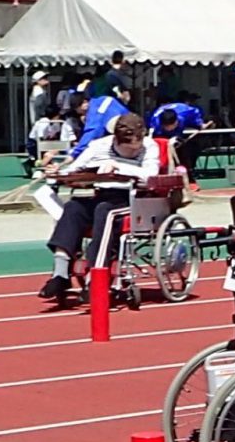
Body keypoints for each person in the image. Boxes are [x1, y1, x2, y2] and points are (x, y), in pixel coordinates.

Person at [39, 113, 160, 301]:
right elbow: (75, 168)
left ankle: (95, 277)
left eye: (137, 148)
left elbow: (150, 174)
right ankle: (60, 274)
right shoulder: (99, 146)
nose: (134, 152)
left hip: (132, 200)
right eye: (129, 149)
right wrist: (58, 172)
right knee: (73, 208)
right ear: (116, 142)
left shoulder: (149, 147)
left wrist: (118, 166)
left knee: (105, 212)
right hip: (102, 193)